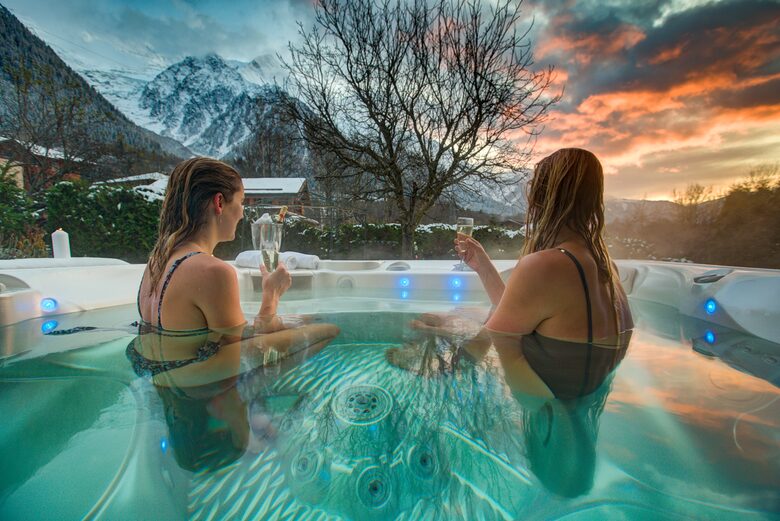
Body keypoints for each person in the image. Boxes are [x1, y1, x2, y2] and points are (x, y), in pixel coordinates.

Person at [128, 158, 339, 466]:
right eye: (240, 202)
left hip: (170, 383)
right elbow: (241, 357)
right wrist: (272, 295)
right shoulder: (211, 271)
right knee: (327, 331)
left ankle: (242, 411)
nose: (242, 213)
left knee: (300, 324)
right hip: (205, 386)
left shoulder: (156, 263)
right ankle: (235, 408)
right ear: (219, 202)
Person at [423, 148, 634, 401]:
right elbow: (518, 315)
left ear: (542, 200)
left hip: (548, 412)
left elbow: (489, 341)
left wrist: (435, 361)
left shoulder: (546, 265)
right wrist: (483, 266)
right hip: (575, 406)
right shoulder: (605, 265)